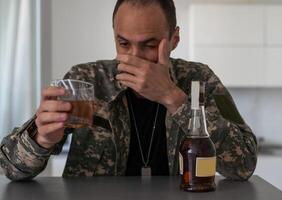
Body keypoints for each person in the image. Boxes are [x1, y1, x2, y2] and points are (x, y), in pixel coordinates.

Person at [0, 0, 257, 180]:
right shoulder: (88, 79)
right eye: (124, 43)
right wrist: (41, 140)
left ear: (174, 39)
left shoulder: (199, 79)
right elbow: (9, 168)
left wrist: (173, 97)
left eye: (149, 45)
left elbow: (244, 165)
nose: (135, 57)